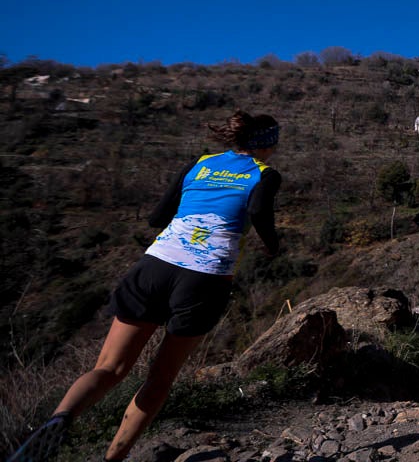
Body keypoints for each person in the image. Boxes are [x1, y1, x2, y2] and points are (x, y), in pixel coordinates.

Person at [8, 111, 283, 462]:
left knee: (108, 367)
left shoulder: (199, 163)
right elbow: (259, 213)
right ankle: (114, 458)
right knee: (159, 378)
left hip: (154, 266)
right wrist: (273, 246)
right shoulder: (265, 174)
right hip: (204, 277)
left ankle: (59, 421)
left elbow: (157, 217)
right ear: (269, 144)